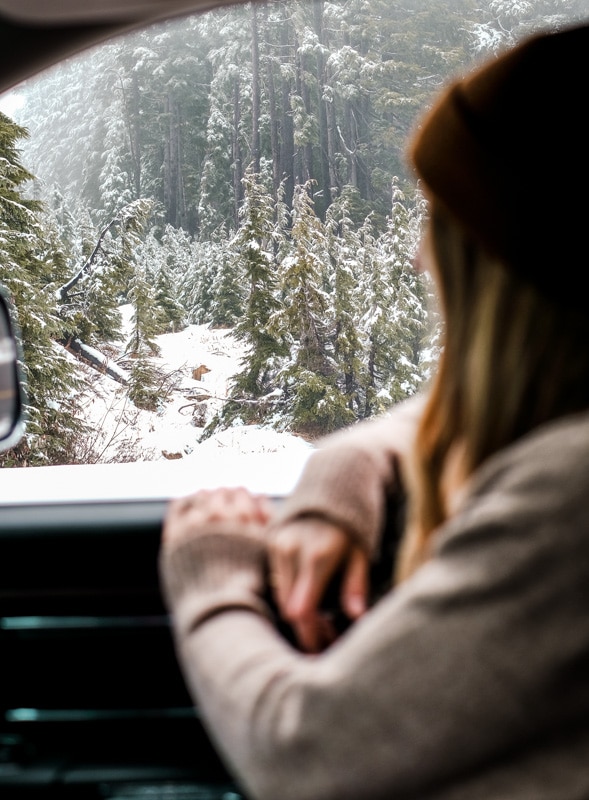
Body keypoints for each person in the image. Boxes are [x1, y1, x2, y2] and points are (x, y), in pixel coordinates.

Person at [159, 22, 589, 800]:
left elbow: (301, 753)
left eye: (445, 219)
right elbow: (445, 408)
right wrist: (345, 464)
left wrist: (211, 572)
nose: (423, 258)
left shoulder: (571, 490)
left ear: (517, 261)